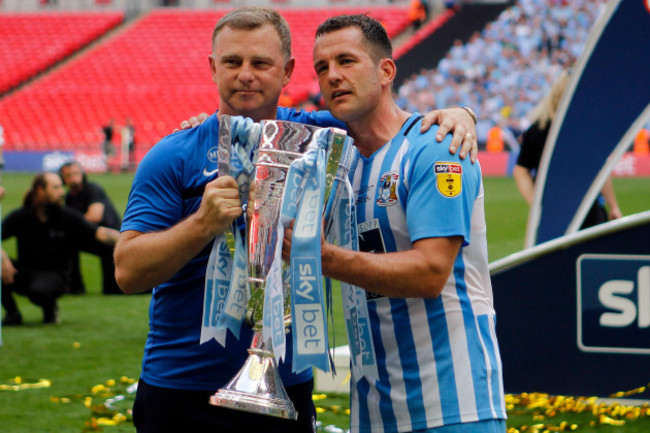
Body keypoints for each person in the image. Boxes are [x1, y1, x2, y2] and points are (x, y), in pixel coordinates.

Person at [114, 7, 479, 433]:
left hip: (285, 389)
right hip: (181, 390)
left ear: (286, 71)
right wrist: (200, 225)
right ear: (214, 69)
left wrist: (460, 112)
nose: (245, 74)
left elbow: (389, 122)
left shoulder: (321, 138)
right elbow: (128, 272)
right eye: (232, 62)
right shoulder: (173, 155)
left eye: (261, 63)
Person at [283, 14, 506, 433]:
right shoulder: (335, 163)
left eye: (346, 61)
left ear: (386, 70)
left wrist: (320, 256)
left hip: (453, 408)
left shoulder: (438, 148)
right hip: (373, 413)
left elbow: (429, 273)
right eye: (322, 68)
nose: (333, 76)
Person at [1, 172, 119, 326]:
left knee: (40, 290)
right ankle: (13, 313)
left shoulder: (67, 217)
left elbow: (100, 234)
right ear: (40, 190)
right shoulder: (21, 217)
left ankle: (50, 308)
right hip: (25, 273)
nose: (62, 192)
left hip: (55, 277)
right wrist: (2, 257)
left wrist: (131, 241)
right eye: (56, 187)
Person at [514, 71, 622, 227]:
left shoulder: (537, 130)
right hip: (586, 209)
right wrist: (613, 206)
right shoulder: (587, 130)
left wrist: (537, 205)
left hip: (553, 211)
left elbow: (521, 170)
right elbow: (600, 170)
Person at [59, 161, 122, 295]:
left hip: (111, 238)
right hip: (92, 235)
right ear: (63, 179)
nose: (73, 178)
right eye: (68, 175)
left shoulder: (92, 189)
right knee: (66, 241)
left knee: (112, 291)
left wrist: (72, 225)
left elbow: (95, 216)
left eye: (75, 173)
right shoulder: (69, 197)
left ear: (82, 173)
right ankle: (74, 286)